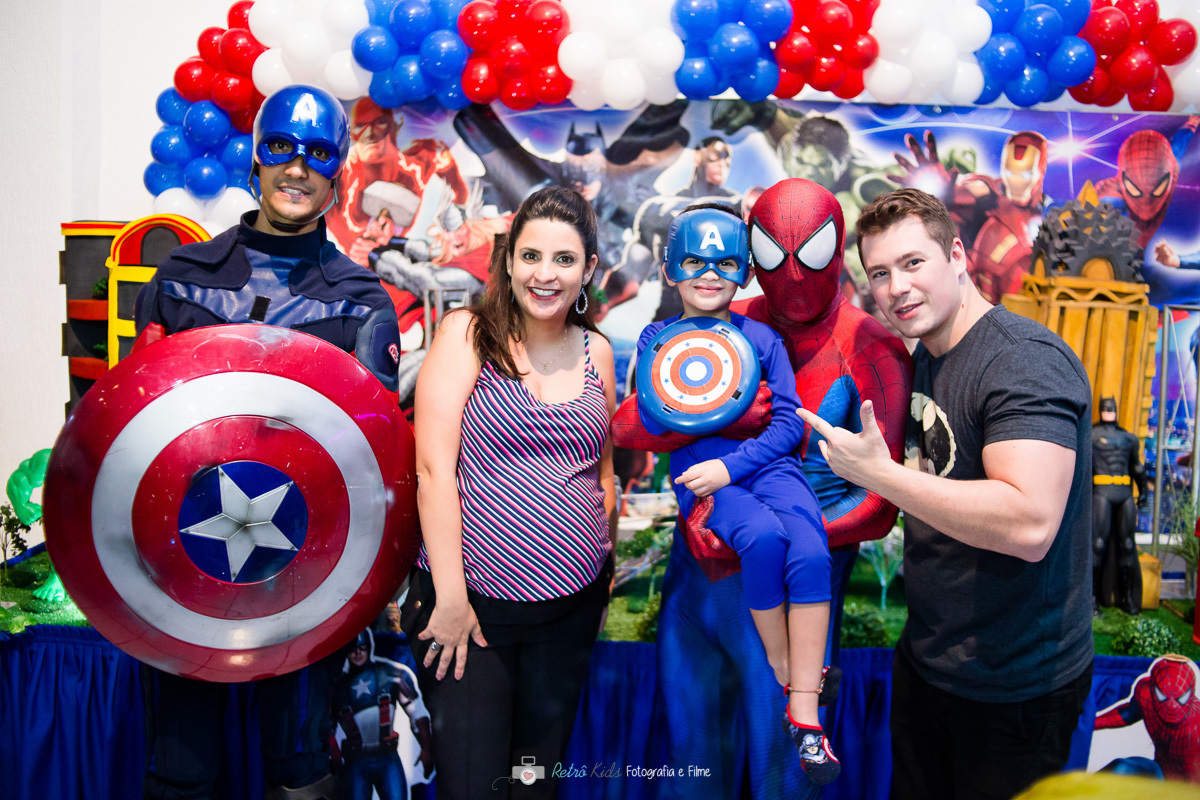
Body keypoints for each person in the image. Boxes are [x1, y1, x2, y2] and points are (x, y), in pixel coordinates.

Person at [134, 85, 401, 800]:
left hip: (305, 566)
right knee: (181, 762)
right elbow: (134, 430)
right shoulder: (182, 277)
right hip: (183, 558)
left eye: (317, 154)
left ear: (337, 174)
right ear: (255, 160)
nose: (297, 167)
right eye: (281, 147)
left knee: (301, 765)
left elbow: (373, 452)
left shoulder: (361, 299)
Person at [611, 178, 912, 799]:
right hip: (699, 576)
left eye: (812, 253)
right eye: (776, 257)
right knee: (691, 764)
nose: (795, 277)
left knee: (783, 776)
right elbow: (631, 423)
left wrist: (772, 535)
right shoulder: (726, 323)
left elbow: (882, 500)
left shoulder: (871, 348)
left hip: (791, 575)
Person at [801, 187, 1093, 800]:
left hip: (1015, 690)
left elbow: (1029, 524)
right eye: (880, 273)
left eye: (913, 263)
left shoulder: (1022, 360)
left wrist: (878, 474)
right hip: (929, 663)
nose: (897, 288)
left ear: (956, 255)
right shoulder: (928, 353)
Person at [401, 185, 618, 799]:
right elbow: (434, 471)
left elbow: (600, 474)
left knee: (533, 782)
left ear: (589, 270)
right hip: (472, 618)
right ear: (507, 260)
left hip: (567, 619)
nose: (544, 274)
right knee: (475, 785)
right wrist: (449, 598)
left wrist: (599, 573)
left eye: (563, 259)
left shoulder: (598, 350)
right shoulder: (467, 335)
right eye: (530, 256)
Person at [637, 204, 838, 782]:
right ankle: (785, 672)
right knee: (763, 538)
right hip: (704, 476)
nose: (710, 273)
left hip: (768, 470)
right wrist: (724, 442)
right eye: (696, 261)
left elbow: (789, 426)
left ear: (745, 271)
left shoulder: (764, 337)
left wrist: (735, 458)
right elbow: (653, 420)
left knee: (810, 549)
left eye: (725, 261)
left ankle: (805, 714)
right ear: (672, 268)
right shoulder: (658, 337)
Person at [331, 630, 433, 800]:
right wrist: (335, 764)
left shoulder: (391, 673)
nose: (357, 652)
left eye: (362, 647)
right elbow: (327, 730)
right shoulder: (338, 688)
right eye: (353, 649)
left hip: (387, 758)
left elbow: (417, 712)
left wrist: (427, 748)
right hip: (356, 762)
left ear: (369, 647)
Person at [1092, 396, 1147, 615]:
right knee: (1097, 545)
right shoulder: (1091, 436)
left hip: (1123, 493)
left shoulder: (1129, 439)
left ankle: (1127, 598)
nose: (1109, 410)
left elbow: (1138, 469)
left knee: (1127, 545)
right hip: (1102, 492)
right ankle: (1092, 600)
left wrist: (1143, 495)